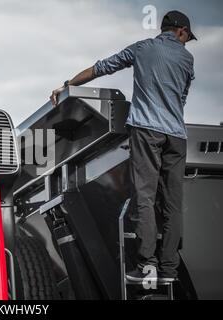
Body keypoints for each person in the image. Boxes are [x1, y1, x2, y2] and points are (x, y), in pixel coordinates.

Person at [50, 10, 196, 282]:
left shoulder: (142, 48)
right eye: (188, 36)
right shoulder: (187, 59)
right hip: (177, 135)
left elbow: (101, 67)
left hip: (146, 130)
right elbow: (182, 98)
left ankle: (147, 265)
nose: (187, 42)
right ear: (180, 31)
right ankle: (169, 269)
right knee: (173, 204)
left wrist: (67, 85)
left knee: (145, 196)